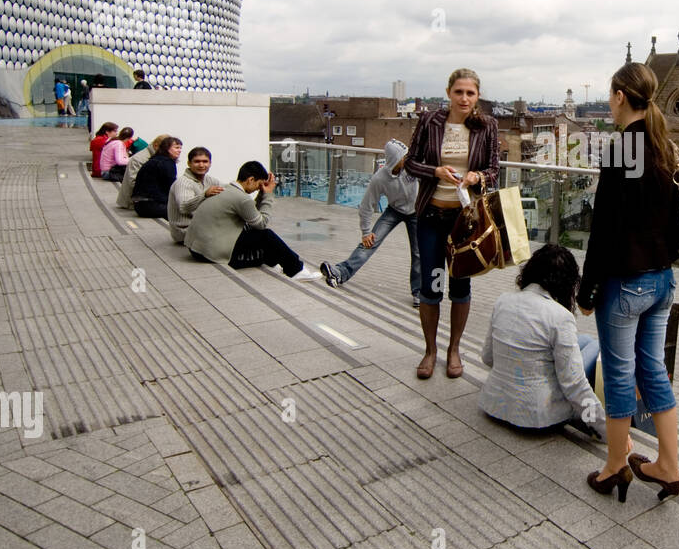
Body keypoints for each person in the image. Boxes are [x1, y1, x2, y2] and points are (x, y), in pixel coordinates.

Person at [576, 61, 679, 504]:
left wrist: (586, 290)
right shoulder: (665, 147)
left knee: (619, 375)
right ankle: (669, 467)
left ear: (621, 96)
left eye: (611, 95)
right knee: (653, 369)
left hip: (627, 284)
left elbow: (603, 230)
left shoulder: (622, 151)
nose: (609, 102)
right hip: (663, 280)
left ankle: (615, 466)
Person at [404, 68, 500, 380]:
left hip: (465, 222)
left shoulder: (487, 126)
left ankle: (454, 349)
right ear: (449, 93)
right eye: (459, 92)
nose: (464, 98)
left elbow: (494, 170)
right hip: (432, 217)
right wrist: (435, 172)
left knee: (460, 286)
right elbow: (410, 163)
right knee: (431, 287)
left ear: (477, 96)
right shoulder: (430, 121)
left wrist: (477, 176)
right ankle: (430, 350)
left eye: (470, 93)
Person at [480, 245, 608, 441]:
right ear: (567, 283)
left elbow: (487, 357)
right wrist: (607, 431)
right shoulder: (560, 316)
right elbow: (574, 384)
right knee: (595, 345)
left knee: (584, 340)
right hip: (536, 417)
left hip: (494, 405)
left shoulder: (503, 300)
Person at [320, 138, 422, 305]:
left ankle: (419, 292)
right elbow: (367, 206)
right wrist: (366, 232)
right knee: (369, 243)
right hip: (394, 210)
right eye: (403, 156)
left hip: (416, 213)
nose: (406, 158)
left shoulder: (413, 168)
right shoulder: (379, 179)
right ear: (395, 160)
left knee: (418, 253)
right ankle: (339, 272)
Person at [186, 161, 321, 279]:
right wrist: (268, 195)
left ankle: (275, 263)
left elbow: (251, 214)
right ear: (250, 180)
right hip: (212, 253)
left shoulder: (227, 189)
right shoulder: (241, 198)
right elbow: (261, 223)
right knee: (266, 236)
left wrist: (262, 194)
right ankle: (296, 270)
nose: (259, 188)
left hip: (198, 249)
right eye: (259, 185)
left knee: (259, 238)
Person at [168, 147, 224, 244]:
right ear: (189, 163)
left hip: (199, 227)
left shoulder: (209, 180)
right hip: (184, 232)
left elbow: (228, 190)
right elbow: (184, 207)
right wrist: (205, 195)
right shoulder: (183, 182)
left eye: (205, 161)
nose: (201, 165)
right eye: (197, 161)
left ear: (210, 163)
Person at [132, 137, 182, 218]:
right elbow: (171, 188)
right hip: (152, 206)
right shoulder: (167, 163)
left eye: (180, 148)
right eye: (176, 148)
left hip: (139, 205)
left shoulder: (154, 159)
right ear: (167, 148)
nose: (179, 150)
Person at [117, 135, 168, 209]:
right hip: (133, 202)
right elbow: (133, 182)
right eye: (165, 149)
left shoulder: (156, 157)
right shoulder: (139, 159)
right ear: (156, 145)